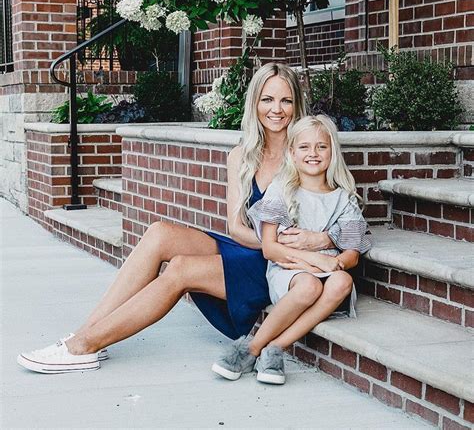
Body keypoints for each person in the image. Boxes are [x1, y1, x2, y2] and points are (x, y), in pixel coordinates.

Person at [17, 63, 334, 374]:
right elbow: (236, 227)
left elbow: (336, 208)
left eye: (285, 100)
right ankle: (83, 334)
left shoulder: (308, 151)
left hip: (283, 266)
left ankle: (84, 346)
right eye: (267, 99)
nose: (276, 109)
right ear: (255, 103)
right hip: (256, 247)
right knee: (159, 234)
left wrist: (311, 243)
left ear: (297, 104)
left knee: (182, 268)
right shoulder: (242, 154)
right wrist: (268, 242)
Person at [212, 115, 371, 384]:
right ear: (292, 153)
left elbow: (352, 253)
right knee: (309, 286)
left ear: (333, 152)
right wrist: (316, 261)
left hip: (328, 272)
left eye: (322, 146)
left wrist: (336, 263)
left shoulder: (343, 198)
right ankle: (249, 349)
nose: (313, 153)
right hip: (288, 270)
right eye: (305, 147)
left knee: (343, 281)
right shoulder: (281, 191)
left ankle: (275, 348)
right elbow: (270, 250)